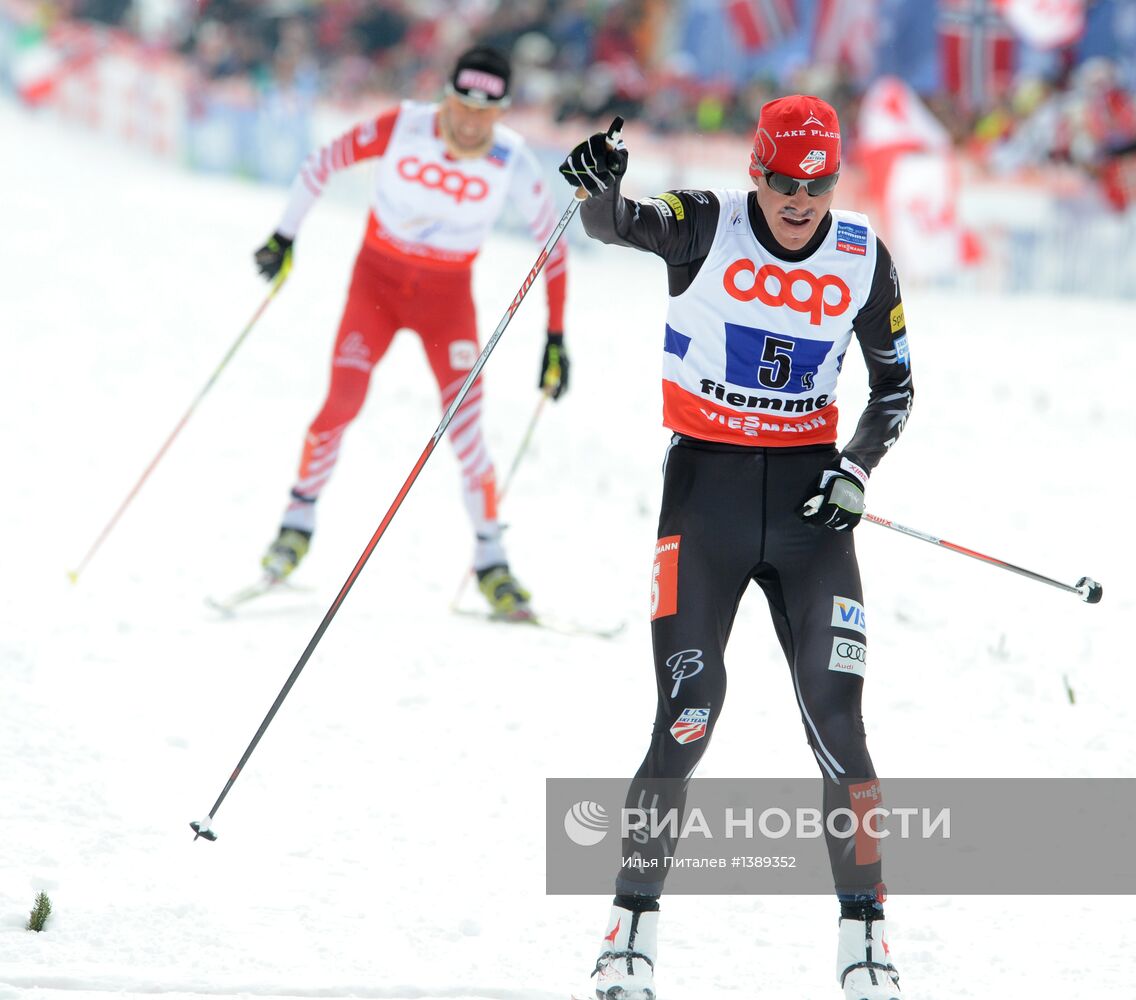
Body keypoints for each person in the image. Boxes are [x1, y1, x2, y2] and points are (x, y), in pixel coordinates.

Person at [560, 96, 914, 1000]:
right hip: (705, 501)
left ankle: (865, 941)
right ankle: (628, 928)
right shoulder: (706, 223)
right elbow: (616, 224)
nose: (800, 199)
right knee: (690, 709)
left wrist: (858, 471)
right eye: (785, 181)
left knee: (839, 723)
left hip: (809, 517)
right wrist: (603, 185)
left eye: (819, 183)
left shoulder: (863, 257)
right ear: (757, 169)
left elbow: (895, 392)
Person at [252, 45, 570, 619]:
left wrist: (555, 337)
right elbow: (321, 163)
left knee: (467, 426)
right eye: (462, 107)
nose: (470, 124)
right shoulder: (404, 125)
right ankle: (295, 523)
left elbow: (555, 245)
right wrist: (283, 237)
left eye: (485, 114)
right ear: (445, 96)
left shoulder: (512, 159)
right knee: (342, 401)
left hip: (446, 301)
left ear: (502, 113)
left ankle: (491, 561)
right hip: (375, 285)